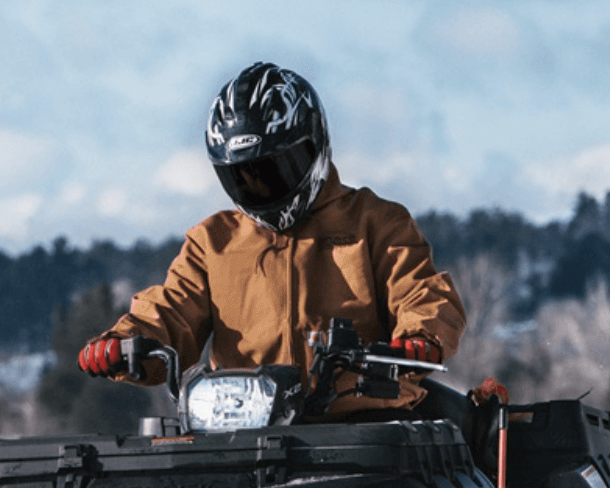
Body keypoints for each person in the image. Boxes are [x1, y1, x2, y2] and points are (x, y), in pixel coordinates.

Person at [78, 62, 466, 420]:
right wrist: (126, 343)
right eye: (243, 176)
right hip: (246, 428)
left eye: (274, 169)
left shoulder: (375, 222)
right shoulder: (212, 243)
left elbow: (422, 294)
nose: (259, 186)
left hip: (364, 424)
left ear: (313, 147)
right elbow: (172, 311)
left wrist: (420, 338)